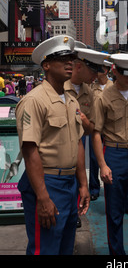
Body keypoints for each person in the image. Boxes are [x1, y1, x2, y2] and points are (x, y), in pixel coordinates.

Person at [15, 35, 90, 255]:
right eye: (62, 58)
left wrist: (83, 184)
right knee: (45, 248)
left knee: (66, 247)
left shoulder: (71, 99)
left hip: (69, 183)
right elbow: (30, 151)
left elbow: (77, 143)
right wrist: (43, 196)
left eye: (71, 58)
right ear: (46, 65)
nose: (70, 62)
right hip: (47, 182)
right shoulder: (34, 100)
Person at [91, 53, 128, 255]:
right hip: (114, 153)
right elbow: (96, 133)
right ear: (114, 71)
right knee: (114, 212)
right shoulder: (103, 97)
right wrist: (102, 165)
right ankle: (118, 257)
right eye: (124, 74)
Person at [64, 47, 111, 204]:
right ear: (78, 67)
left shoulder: (89, 92)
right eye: (92, 71)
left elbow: (91, 129)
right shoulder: (60, 87)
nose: (95, 76)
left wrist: (85, 122)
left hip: (78, 146)